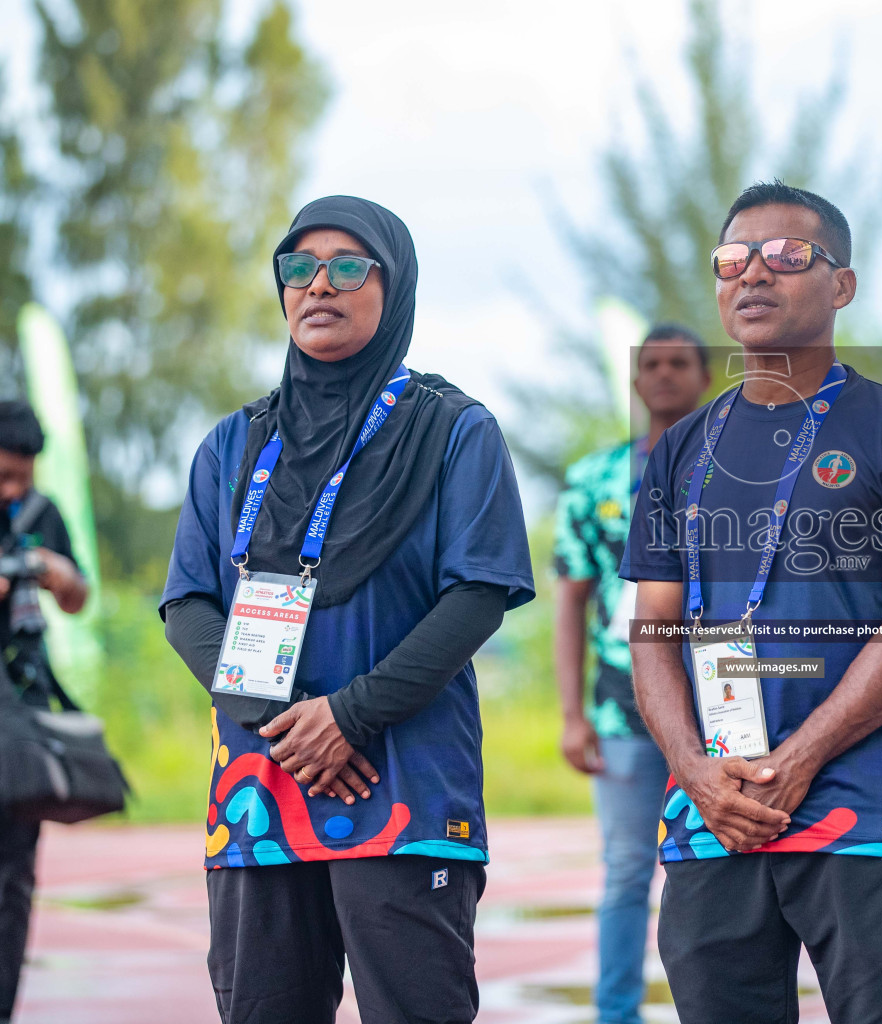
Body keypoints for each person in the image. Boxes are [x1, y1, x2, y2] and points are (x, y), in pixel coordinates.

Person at [161, 196, 534, 1024]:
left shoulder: (453, 430)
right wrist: (283, 721)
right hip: (261, 791)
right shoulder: (233, 444)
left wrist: (352, 717)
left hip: (401, 788)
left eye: (346, 265)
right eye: (298, 267)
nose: (317, 285)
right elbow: (188, 600)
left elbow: (478, 593)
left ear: (391, 284)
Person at [621, 181, 882, 1024]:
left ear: (841, 285)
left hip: (858, 804)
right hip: (716, 811)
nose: (754, 275)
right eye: (733, 260)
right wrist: (695, 772)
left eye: (786, 257)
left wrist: (802, 759)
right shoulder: (680, 451)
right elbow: (652, 634)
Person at [552, 323, 710, 1024]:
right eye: (652, 364)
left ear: (706, 377)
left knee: (721, 867)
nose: (666, 375)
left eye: (681, 363)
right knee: (625, 870)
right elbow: (570, 600)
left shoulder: (739, 469)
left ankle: (715, 1005)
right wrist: (570, 713)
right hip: (622, 707)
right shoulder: (594, 481)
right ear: (636, 381)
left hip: (721, 707)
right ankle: (617, 1013)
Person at [0, 400, 89, 1023]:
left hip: (22, 714)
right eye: (2, 475)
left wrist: (57, 575)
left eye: (22, 477)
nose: (13, 489)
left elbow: (79, 597)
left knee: (13, 878)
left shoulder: (40, 514)